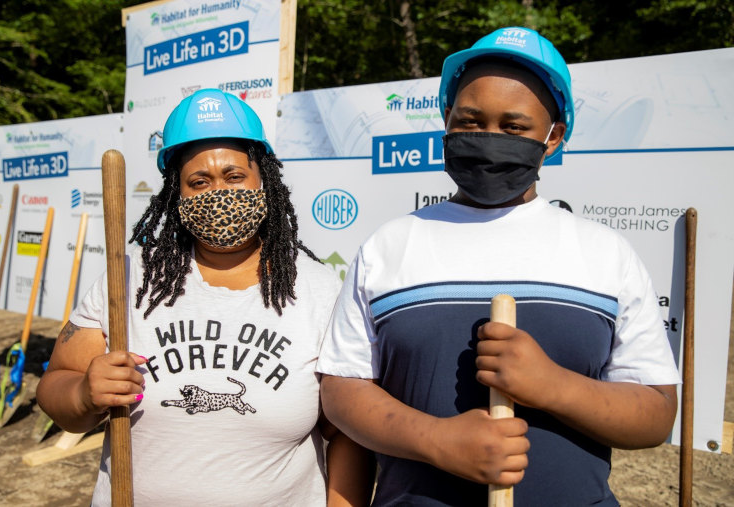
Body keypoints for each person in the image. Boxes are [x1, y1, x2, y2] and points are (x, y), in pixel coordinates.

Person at [316, 27, 680, 506]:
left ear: (553, 138)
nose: (489, 139)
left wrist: (552, 386)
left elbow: (655, 414)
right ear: (446, 122)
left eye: (514, 128)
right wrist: (437, 441)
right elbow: (343, 391)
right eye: (470, 122)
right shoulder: (391, 245)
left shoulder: (604, 254)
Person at [37, 89, 373, 506]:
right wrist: (82, 394)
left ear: (263, 179)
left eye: (234, 176)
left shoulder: (320, 291)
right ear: (176, 194)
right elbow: (55, 387)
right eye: (199, 181)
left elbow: (347, 432)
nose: (219, 192)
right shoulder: (130, 279)